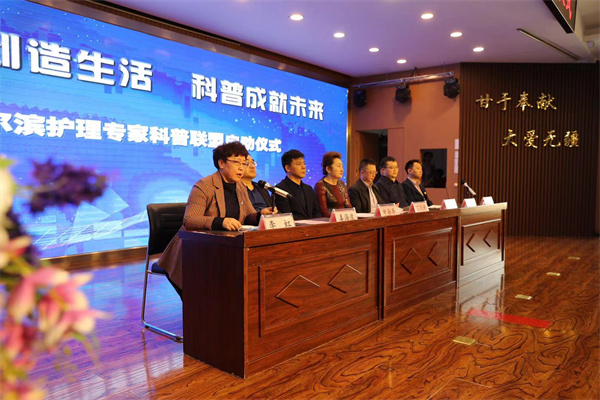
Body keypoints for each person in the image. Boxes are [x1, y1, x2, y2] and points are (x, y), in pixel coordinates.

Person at [157, 142, 276, 298]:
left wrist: (261, 214)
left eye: (244, 163)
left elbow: (248, 216)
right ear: (221, 163)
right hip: (192, 252)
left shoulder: (240, 187)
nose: (241, 168)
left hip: (223, 249)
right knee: (206, 296)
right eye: (237, 162)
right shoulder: (204, 186)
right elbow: (190, 219)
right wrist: (221, 221)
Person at [275, 149, 321, 220]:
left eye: (304, 163)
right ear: (288, 168)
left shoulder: (308, 189)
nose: (303, 167)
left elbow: (316, 212)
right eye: (299, 164)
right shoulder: (280, 189)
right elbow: (286, 216)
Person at [314, 151, 352, 217]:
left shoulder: (341, 184)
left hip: (343, 219)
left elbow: (348, 206)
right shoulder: (320, 186)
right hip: (330, 220)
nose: (342, 170)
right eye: (338, 166)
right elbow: (324, 212)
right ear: (328, 169)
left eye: (342, 166)